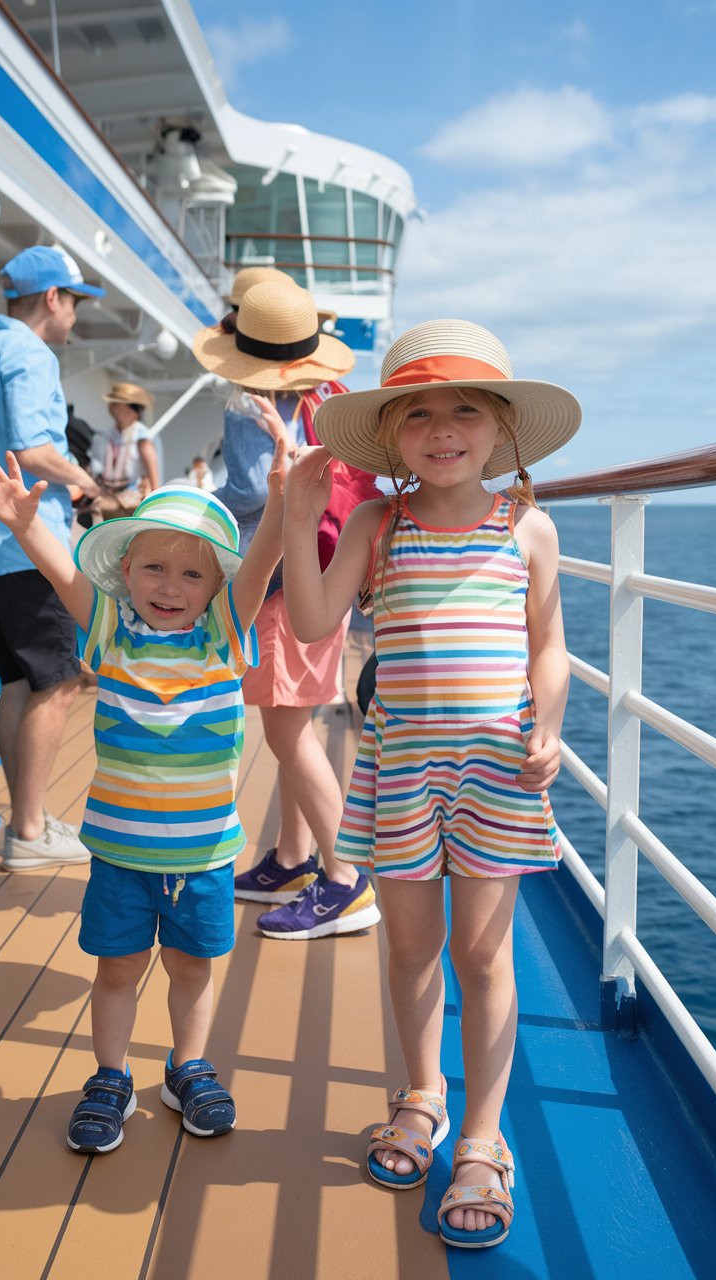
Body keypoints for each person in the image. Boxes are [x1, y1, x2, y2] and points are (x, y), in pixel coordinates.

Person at [282, 319, 581, 1248]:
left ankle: (485, 1139)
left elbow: (549, 644)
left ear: (501, 429)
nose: (442, 429)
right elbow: (312, 615)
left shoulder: (527, 526)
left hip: (497, 770)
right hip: (401, 767)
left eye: (465, 411)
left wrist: (554, 726)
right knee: (410, 947)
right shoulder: (379, 522)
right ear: (393, 436)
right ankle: (423, 1095)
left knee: (486, 957)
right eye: (418, 415)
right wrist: (299, 515)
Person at [0, 414, 289, 1155]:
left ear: (216, 586)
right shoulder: (108, 629)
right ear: (126, 571)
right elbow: (63, 573)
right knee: (117, 972)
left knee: (191, 969)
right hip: (120, 852)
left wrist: (278, 500)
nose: (170, 587)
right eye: (153, 568)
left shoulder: (224, 634)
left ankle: (188, 1066)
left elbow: (265, 559)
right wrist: (25, 524)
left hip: (205, 856)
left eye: (192, 573)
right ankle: (110, 1077)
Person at [192, 277, 382, 940]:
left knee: (285, 731)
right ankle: (293, 859)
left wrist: (199, 508)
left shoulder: (251, 400)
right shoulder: (326, 395)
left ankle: (345, 880)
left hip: (274, 577)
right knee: (294, 720)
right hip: (325, 571)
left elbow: (250, 493)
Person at [0, 244, 104, 871]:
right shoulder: (30, 353)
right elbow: (34, 450)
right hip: (22, 541)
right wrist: (94, 485)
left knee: (21, 679)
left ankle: (26, 821)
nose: (76, 316)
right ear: (52, 299)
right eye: (75, 301)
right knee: (60, 680)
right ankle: (31, 830)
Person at [90, 382, 159, 517]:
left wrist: (153, 500)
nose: (111, 407)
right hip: (107, 498)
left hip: (131, 500)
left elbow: (152, 473)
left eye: (116, 403)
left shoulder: (142, 437)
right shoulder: (106, 436)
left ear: (132, 410)